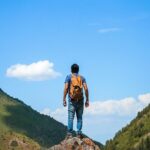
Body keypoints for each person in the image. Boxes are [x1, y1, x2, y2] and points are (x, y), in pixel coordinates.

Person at [63, 64, 89, 138]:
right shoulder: (82, 78)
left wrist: (64, 99)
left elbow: (66, 88)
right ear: (78, 70)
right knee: (79, 117)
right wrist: (87, 100)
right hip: (80, 99)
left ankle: (69, 134)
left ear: (71, 70)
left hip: (72, 100)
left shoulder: (68, 77)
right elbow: (86, 89)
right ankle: (79, 133)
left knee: (71, 117)